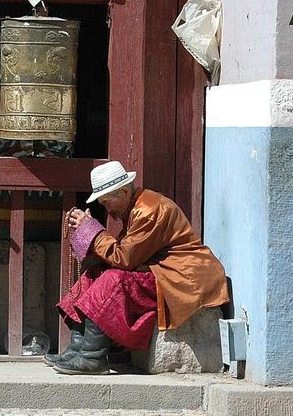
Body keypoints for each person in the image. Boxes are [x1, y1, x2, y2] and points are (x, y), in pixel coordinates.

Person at [44, 161, 229, 375]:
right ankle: (78, 349)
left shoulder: (149, 210)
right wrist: (90, 232)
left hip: (183, 277)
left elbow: (124, 259)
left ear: (123, 191)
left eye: (106, 202)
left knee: (112, 280)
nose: (107, 209)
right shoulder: (134, 208)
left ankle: (92, 356)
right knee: (93, 275)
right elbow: (122, 254)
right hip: (159, 270)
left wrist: (93, 231)